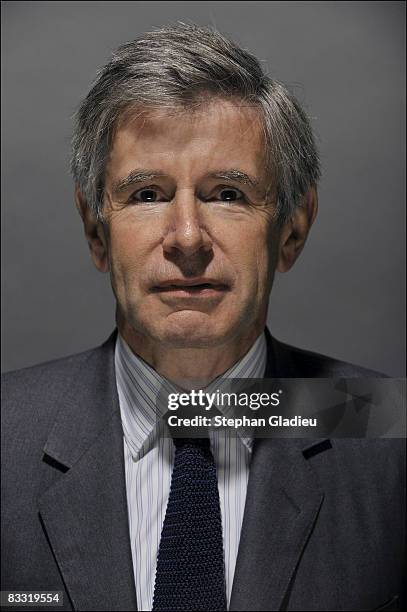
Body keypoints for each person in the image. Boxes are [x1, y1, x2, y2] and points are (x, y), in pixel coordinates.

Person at [1, 23, 404, 612]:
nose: (187, 238)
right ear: (95, 228)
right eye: (146, 194)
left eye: (227, 193)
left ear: (293, 227)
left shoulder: (387, 435)